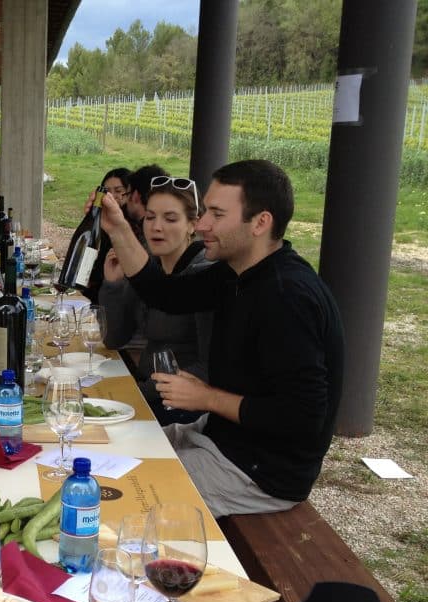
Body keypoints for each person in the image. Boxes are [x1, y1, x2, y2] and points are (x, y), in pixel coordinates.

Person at [100, 159, 344, 518]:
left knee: (116, 502)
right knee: (102, 456)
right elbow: (164, 293)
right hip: (219, 438)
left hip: (257, 471)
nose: (202, 225)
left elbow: (303, 418)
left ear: (261, 222)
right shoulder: (236, 272)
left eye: (216, 214)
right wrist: (120, 230)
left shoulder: (287, 296)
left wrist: (206, 396)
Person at [98, 175, 212, 423]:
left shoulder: (204, 275)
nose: (156, 227)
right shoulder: (147, 266)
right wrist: (114, 284)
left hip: (180, 410)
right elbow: (115, 338)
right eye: (150, 217)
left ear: (193, 224)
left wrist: (137, 394)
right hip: (146, 391)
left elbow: (207, 368)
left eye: (170, 219)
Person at [67, 167, 130, 303]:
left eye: (118, 191)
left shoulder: (130, 229)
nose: (111, 197)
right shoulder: (99, 222)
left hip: (109, 299)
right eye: (107, 192)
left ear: (130, 194)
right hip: (88, 293)